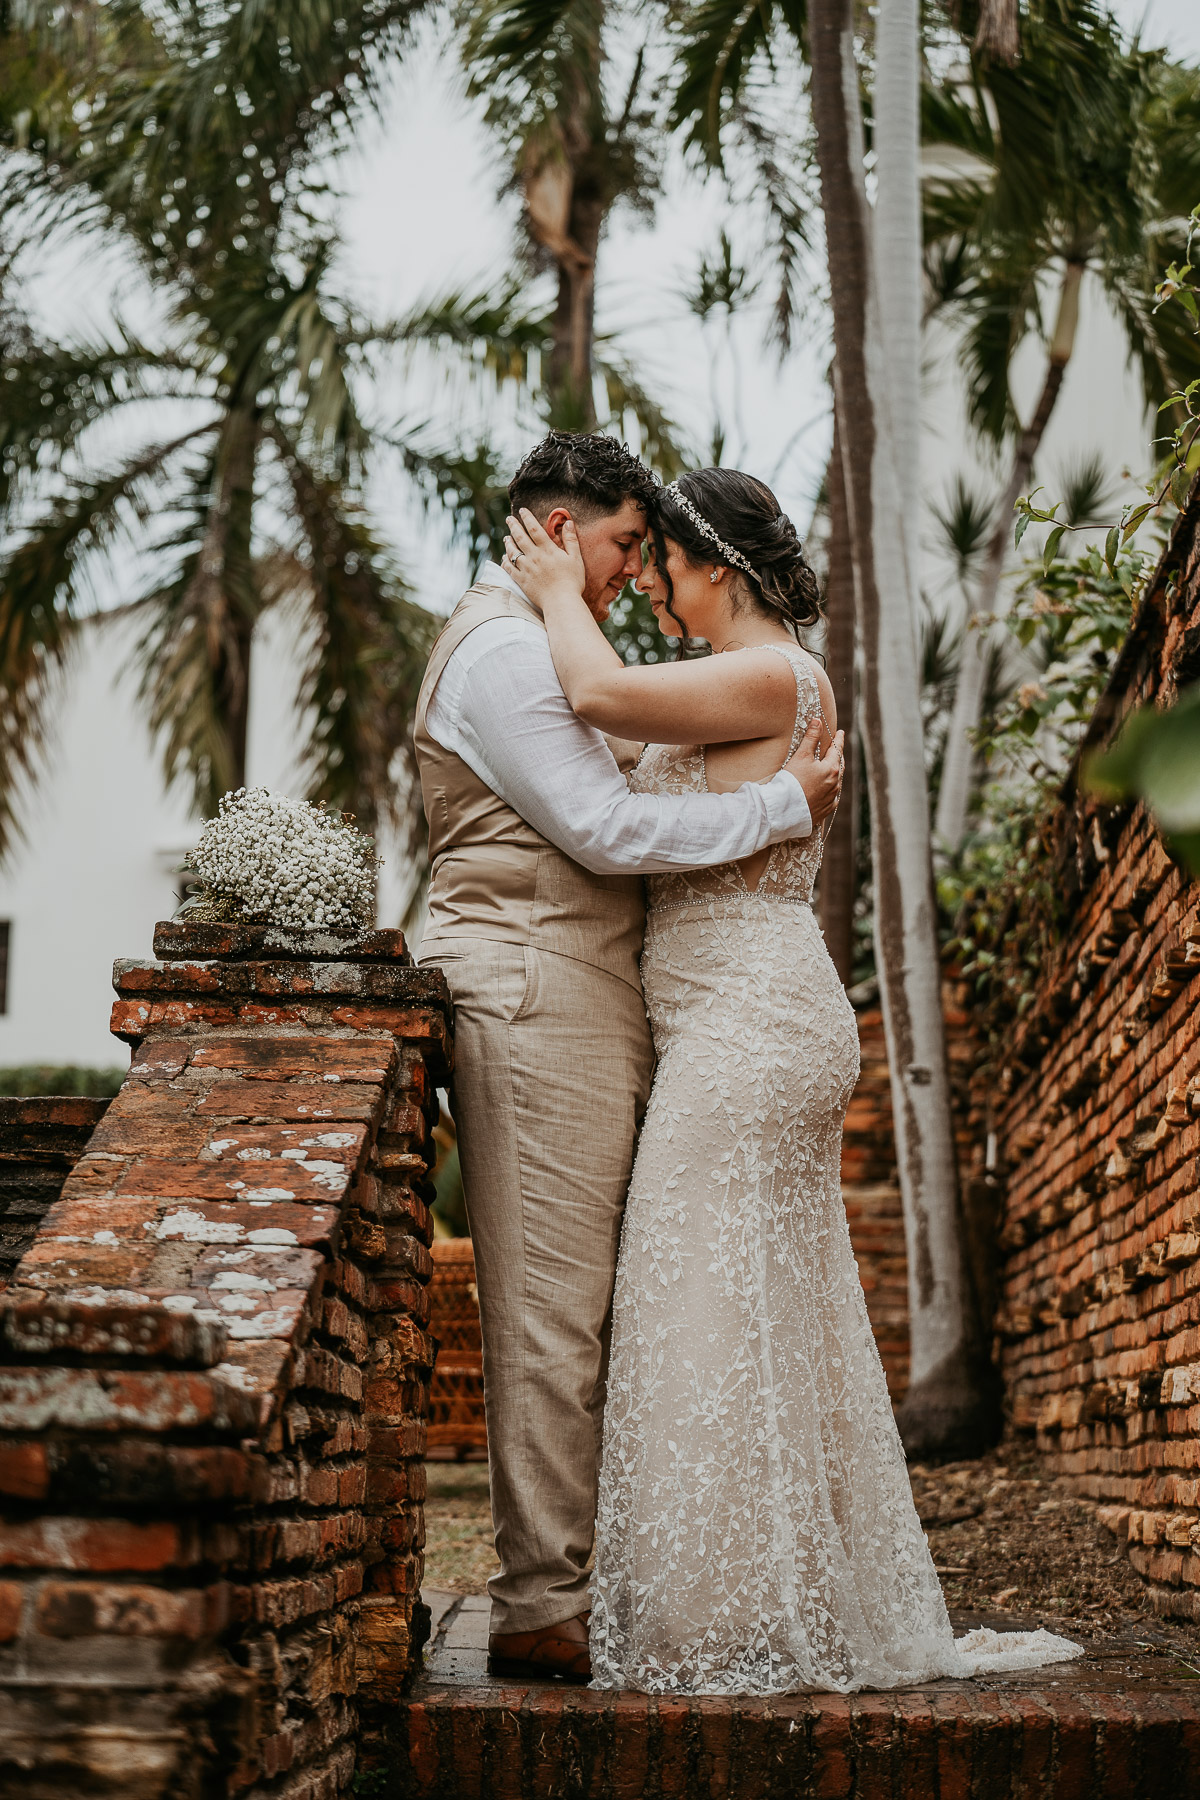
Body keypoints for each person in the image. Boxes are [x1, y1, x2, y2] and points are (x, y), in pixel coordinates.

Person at [502, 467, 1080, 1694]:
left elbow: (595, 691)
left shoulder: (774, 676)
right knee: (735, 1305)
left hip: (755, 1024)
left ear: (717, 568)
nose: (650, 581)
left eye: (662, 563)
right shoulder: (732, 685)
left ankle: (727, 1613)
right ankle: (744, 1596)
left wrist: (558, 587)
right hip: (730, 1020)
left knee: (703, 1296)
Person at [413, 432, 844, 1683]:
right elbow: (602, 825)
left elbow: (613, 733)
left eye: (653, 557)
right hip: (544, 987)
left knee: (654, 1306)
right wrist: (777, 808)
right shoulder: (506, 648)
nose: (628, 578)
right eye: (616, 548)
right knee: (559, 1308)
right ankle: (548, 1599)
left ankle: (635, 1584)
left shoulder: (715, 667)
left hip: (699, 1010)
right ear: (556, 531)